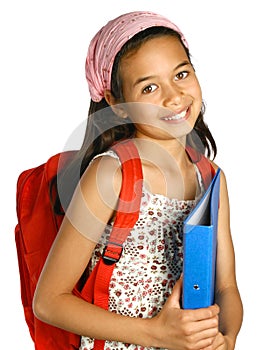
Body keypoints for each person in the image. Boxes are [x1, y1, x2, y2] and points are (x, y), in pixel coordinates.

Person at [33, 11, 243, 350]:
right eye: (149, 87)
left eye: (181, 74)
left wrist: (226, 338)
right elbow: (49, 301)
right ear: (117, 104)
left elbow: (226, 288)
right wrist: (159, 333)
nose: (174, 97)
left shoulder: (210, 177)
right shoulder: (111, 175)